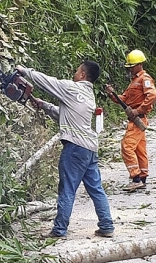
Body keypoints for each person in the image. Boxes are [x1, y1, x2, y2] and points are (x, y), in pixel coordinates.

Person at [15, 61, 115, 239]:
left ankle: (59, 229)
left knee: (67, 189)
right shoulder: (88, 95)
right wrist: (44, 105)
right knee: (96, 189)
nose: (74, 73)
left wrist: (24, 71)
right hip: (90, 148)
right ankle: (107, 225)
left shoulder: (71, 88)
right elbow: (67, 114)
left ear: (83, 74)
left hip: (75, 148)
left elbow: (47, 82)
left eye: (77, 70)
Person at [105, 49, 156, 192]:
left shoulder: (144, 79)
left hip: (138, 119)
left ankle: (135, 178)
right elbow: (124, 99)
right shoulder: (134, 82)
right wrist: (112, 94)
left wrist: (139, 110)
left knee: (127, 146)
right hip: (135, 120)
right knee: (140, 150)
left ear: (139, 65)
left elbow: (152, 95)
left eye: (131, 66)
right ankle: (143, 177)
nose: (129, 69)